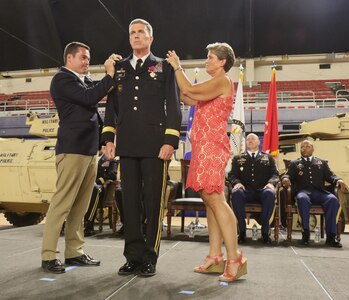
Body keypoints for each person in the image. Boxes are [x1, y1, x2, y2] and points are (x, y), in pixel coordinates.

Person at [101, 19, 182, 277]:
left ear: (150, 38)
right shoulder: (119, 68)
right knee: (131, 203)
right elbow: (111, 107)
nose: (136, 36)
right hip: (128, 144)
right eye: (132, 33)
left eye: (141, 32)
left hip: (156, 145)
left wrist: (170, 141)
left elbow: (174, 105)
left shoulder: (163, 67)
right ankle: (132, 256)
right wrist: (109, 139)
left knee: (152, 202)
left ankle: (150, 257)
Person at [166, 43, 246, 283]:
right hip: (204, 148)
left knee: (216, 200)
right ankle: (215, 255)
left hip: (212, 148)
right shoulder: (213, 87)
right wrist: (172, 76)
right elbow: (186, 96)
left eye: (210, 57)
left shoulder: (223, 81)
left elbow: (189, 88)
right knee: (211, 200)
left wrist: (178, 67)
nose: (206, 61)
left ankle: (235, 258)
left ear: (222, 62)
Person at [41, 41, 117, 274]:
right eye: (83, 57)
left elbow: (94, 110)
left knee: (80, 207)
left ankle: (74, 252)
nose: (86, 62)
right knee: (62, 204)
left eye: (88, 57)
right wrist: (109, 74)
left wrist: (105, 140)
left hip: (88, 150)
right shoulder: (63, 79)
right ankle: (49, 256)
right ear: (69, 59)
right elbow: (90, 97)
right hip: (72, 149)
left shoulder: (82, 80)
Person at [281, 139, 347, 247]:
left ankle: (331, 236)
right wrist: (285, 178)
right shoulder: (295, 163)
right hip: (303, 192)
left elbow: (330, 176)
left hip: (320, 193)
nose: (304, 148)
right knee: (302, 199)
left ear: (313, 149)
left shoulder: (321, 162)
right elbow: (287, 175)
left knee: (333, 200)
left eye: (307, 146)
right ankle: (305, 234)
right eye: (302, 147)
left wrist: (338, 180)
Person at [227, 133, 280, 244]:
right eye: (248, 139)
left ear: (259, 142)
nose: (250, 140)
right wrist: (237, 183)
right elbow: (231, 175)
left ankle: (265, 233)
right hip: (245, 191)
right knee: (236, 193)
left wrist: (271, 183)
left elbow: (275, 175)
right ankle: (241, 232)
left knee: (270, 194)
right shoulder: (238, 158)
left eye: (253, 139)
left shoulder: (268, 157)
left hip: (262, 191)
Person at [84, 152, 118, 236]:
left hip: (100, 186)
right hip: (86, 184)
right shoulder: (89, 155)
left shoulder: (109, 157)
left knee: (96, 190)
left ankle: (89, 225)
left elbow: (113, 174)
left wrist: (98, 181)